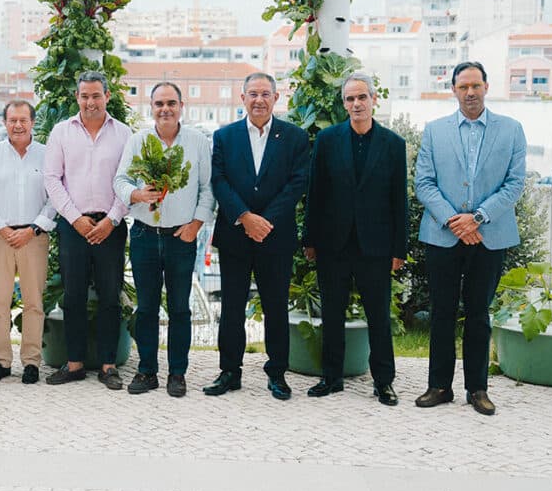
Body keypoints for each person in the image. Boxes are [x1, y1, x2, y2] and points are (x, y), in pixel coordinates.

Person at [414, 61, 526, 416]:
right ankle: (439, 386)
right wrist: (454, 220)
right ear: (454, 90)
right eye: (463, 87)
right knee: (442, 313)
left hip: (490, 236)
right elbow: (424, 183)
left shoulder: (511, 130)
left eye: (476, 85)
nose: (470, 92)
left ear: (487, 87)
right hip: (442, 235)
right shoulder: (435, 131)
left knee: (479, 314)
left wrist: (477, 218)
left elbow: (515, 184)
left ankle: (477, 389)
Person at [302, 74, 407, 406]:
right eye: (349, 99)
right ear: (343, 103)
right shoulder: (328, 140)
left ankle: (384, 382)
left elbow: (398, 200)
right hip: (333, 243)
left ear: (373, 99)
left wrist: (398, 248)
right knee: (332, 313)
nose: (356, 104)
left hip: (375, 246)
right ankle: (331, 378)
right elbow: (315, 192)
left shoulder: (393, 144)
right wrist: (310, 239)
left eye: (361, 97)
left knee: (378, 316)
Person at [205, 72, 309, 400]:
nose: (259, 100)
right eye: (253, 94)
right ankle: (229, 372)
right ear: (243, 98)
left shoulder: (294, 137)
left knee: (276, 306)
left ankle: (277, 373)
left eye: (265, 94)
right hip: (235, 234)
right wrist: (245, 217)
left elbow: (297, 183)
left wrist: (265, 222)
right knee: (232, 307)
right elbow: (218, 180)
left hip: (275, 237)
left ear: (276, 98)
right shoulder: (224, 137)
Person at [114, 82, 215, 398]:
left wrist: (196, 225)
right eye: (159, 104)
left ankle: (177, 372)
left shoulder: (197, 142)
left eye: (171, 103)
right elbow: (120, 180)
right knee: (145, 308)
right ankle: (146, 371)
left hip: (181, 236)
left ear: (182, 106)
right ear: (151, 108)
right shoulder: (138, 141)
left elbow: (208, 189)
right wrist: (136, 194)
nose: (165, 109)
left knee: (180, 308)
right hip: (144, 234)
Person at [43, 71, 132, 390]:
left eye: (96, 95)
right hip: (73, 226)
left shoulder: (124, 134)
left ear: (108, 96)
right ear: (77, 98)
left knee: (110, 295)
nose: (90, 102)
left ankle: (109, 365)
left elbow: (130, 181)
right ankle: (75, 363)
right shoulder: (61, 132)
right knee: (74, 296)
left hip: (111, 226)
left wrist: (111, 219)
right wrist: (75, 218)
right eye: (84, 96)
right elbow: (52, 179)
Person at [0, 100, 56, 385]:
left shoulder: (47, 156)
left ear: (32, 122)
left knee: (33, 302)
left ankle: (31, 362)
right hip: (0, 237)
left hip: (34, 236)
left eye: (23, 120)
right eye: (12, 120)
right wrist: (3, 229)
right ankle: (2, 361)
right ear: (5, 122)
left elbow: (55, 197)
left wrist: (33, 228)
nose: (18, 125)